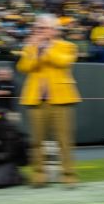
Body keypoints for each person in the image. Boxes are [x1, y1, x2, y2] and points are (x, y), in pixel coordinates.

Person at [17, 14, 82, 187]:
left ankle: (69, 175)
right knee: (37, 141)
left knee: (64, 140)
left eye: (43, 28)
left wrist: (46, 49)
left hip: (61, 99)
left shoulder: (67, 46)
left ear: (54, 30)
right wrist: (35, 50)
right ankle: (39, 176)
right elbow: (23, 67)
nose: (39, 31)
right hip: (36, 99)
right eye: (37, 28)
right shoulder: (31, 47)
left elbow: (63, 62)